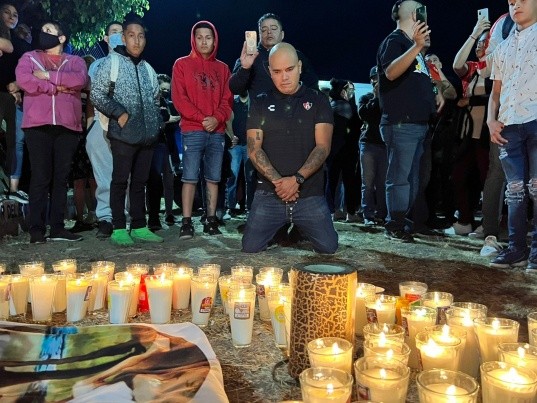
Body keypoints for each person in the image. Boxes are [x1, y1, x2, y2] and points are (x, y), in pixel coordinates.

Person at [242, 42, 338, 254]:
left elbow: (323, 147)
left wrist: (296, 180)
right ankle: (283, 228)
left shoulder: (318, 100)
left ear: (300, 67)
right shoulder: (260, 103)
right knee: (250, 247)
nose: (284, 77)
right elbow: (254, 149)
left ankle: (299, 229)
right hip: (270, 193)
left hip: (309, 194)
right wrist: (281, 184)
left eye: (289, 69)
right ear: (269, 71)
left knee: (329, 247)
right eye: (277, 71)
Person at [91, 15, 163, 246]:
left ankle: (139, 226)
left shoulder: (148, 68)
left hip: (147, 137)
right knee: (120, 181)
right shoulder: (111, 63)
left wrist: (156, 124)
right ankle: (119, 227)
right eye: (131, 36)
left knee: (140, 182)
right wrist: (119, 113)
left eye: (141, 36)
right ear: (123, 38)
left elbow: (155, 99)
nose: (136, 41)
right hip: (122, 135)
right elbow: (96, 94)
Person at [15, 20, 88, 243]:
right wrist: (55, 88)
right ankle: (36, 230)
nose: (43, 33)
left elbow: (80, 80)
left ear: (61, 38)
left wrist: (47, 76)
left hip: (67, 127)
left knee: (61, 178)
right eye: (42, 30)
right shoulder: (29, 58)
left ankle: (57, 228)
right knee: (40, 176)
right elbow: (24, 80)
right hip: (37, 126)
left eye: (49, 30)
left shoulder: (74, 61)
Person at [377, 0, 442, 243]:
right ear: (414, 14)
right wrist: (417, 46)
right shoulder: (395, 41)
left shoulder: (413, 47)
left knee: (415, 179)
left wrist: (435, 94)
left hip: (419, 123)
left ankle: (405, 221)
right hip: (401, 123)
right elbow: (391, 72)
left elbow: (418, 81)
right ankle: (394, 224)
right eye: (420, 9)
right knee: (400, 178)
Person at [487, 0, 537, 269]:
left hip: (535, 121)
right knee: (515, 191)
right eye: (511, 2)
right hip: (509, 126)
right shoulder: (503, 47)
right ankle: (517, 248)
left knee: (536, 187)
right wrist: (490, 120)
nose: (516, 4)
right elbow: (496, 92)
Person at [171, 21, 232, 239]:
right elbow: (179, 98)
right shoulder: (181, 64)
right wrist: (202, 118)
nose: (204, 42)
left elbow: (227, 99)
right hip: (192, 129)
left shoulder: (223, 69)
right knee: (189, 177)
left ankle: (211, 219)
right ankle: (187, 222)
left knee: (213, 177)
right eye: (199, 37)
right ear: (193, 40)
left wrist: (216, 119)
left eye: (208, 37)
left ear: (215, 40)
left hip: (217, 131)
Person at [86, 20, 123, 239]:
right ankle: (106, 218)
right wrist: (90, 124)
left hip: (125, 125)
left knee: (125, 173)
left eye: (121, 32)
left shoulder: (133, 62)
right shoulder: (96, 65)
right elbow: (92, 95)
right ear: (106, 38)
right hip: (101, 123)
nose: (118, 35)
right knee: (103, 174)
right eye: (114, 32)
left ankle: (125, 216)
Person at [229, 12, 318, 97]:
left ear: (282, 34)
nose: (269, 32)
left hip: (292, 107)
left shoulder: (295, 55)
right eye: (264, 30)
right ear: (259, 35)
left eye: (274, 28)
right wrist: (245, 68)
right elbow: (234, 89)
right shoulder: (248, 58)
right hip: (260, 107)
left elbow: (312, 85)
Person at [0, 2, 30, 204]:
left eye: (15, 14)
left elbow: (28, 70)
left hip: (14, 97)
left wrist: (18, 85)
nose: (12, 17)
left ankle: (13, 188)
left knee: (17, 140)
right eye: (7, 12)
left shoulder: (20, 43)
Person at [325, 78, 361, 222]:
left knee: (333, 181)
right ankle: (348, 212)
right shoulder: (345, 107)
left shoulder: (332, 105)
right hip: (344, 149)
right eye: (349, 90)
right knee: (346, 181)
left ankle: (333, 211)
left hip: (336, 149)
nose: (351, 93)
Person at [358, 66, 387, 226]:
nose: (377, 82)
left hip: (385, 145)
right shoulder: (366, 98)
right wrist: (375, 97)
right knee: (368, 183)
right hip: (368, 144)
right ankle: (368, 215)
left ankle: (382, 214)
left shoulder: (388, 98)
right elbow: (364, 115)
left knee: (382, 183)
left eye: (379, 78)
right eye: (375, 78)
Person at [224, 92, 256, 217]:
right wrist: (231, 137)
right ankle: (230, 207)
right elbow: (226, 120)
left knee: (250, 178)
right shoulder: (232, 102)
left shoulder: (254, 102)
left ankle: (250, 208)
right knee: (232, 176)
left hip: (250, 145)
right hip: (235, 145)